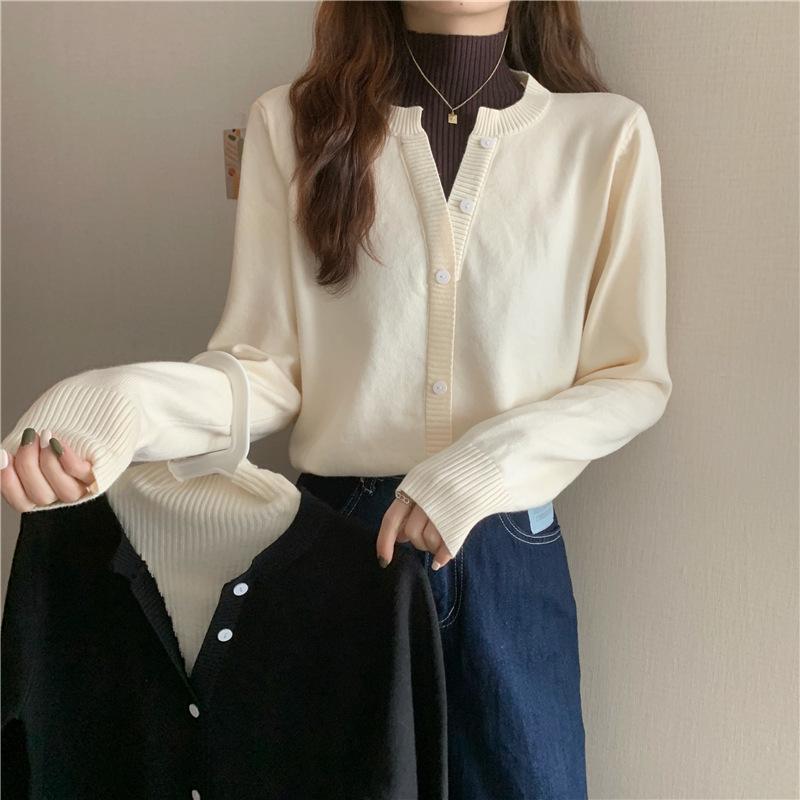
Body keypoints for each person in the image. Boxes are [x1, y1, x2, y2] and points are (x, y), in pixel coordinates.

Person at [1, 1, 673, 796]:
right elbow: (263, 369)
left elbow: (629, 376)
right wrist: (110, 407)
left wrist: (485, 468)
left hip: (507, 551)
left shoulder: (605, 137)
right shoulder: (292, 125)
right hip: (341, 548)